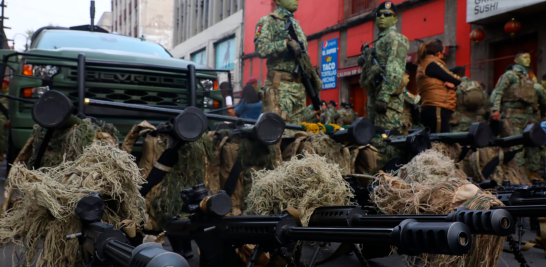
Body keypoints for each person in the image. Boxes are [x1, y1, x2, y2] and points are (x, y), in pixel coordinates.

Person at [255, 0, 321, 124]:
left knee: (299, 135)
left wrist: (314, 82)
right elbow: (260, 49)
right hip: (279, 87)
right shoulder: (268, 21)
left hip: (299, 89)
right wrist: (284, 44)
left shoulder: (296, 25)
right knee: (277, 132)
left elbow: (304, 59)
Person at [358, 1, 409, 133]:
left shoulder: (395, 38)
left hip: (388, 100)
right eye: (379, 14)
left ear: (395, 19)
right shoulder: (380, 40)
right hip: (376, 95)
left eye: (387, 14)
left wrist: (384, 95)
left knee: (387, 138)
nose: (382, 17)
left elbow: (395, 67)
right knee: (375, 137)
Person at [490, 51, 539, 178]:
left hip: (526, 118)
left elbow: (532, 101)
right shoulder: (509, 75)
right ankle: (518, 177)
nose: (527, 60)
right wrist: (495, 110)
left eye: (529, 57)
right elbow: (497, 92)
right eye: (524, 57)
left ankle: (531, 174)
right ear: (516, 60)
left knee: (531, 147)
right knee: (516, 148)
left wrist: (533, 117)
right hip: (512, 117)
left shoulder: (529, 78)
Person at [415, 39, 461, 133]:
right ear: (438, 53)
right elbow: (456, 79)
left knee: (436, 140)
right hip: (437, 106)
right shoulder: (432, 64)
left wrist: (453, 85)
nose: (443, 57)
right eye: (444, 54)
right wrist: (454, 83)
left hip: (433, 106)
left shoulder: (426, 63)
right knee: (439, 140)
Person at [449, 66, 489, 132]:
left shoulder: (455, 86)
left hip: (459, 123)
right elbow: (486, 103)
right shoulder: (477, 86)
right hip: (476, 123)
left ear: (455, 74)